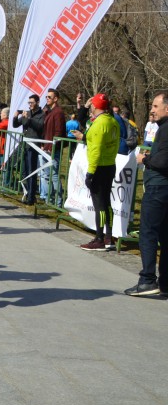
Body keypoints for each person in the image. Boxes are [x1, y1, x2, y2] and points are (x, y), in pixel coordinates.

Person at [127, 90, 168, 296]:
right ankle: (165, 283)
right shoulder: (162, 129)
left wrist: (146, 160)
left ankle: (147, 280)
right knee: (164, 235)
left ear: (167, 108)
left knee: (148, 233)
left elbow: (163, 162)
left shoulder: (166, 129)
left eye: (154, 106)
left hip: (159, 188)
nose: (151, 110)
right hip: (163, 188)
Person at [71, 93, 120, 251]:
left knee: (99, 204)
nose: (90, 105)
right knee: (106, 203)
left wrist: (90, 173)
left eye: (92, 103)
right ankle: (109, 237)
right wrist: (85, 137)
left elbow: (96, 150)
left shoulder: (100, 123)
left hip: (99, 166)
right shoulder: (112, 121)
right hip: (110, 165)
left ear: (96, 106)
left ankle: (99, 238)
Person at [13, 94, 44, 205]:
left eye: (32, 103)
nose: (30, 105)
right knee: (26, 170)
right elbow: (16, 124)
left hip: (34, 144)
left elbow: (40, 127)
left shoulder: (41, 114)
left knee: (32, 170)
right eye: (29, 103)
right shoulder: (28, 113)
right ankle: (28, 192)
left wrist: (29, 119)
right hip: (25, 145)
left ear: (37, 102)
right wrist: (16, 116)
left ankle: (31, 197)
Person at [40, 88, 67, 205]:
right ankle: (48, 199)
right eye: (46, 97)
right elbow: (45, 130)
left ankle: (58, 201)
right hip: (45, 146)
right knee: (46, 175)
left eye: (49, 97)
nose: (47, 99)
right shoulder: (48, 112)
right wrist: (42, 144)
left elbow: (58, 131)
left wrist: (52, 147)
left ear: (55, 99)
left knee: (54, 175)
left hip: (53, 148)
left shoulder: (58, 112)